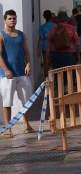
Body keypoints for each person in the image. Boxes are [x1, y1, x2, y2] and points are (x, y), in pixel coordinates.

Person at [0, 10, 35, 138]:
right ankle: (8, 128)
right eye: (9, 18)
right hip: (8, 75)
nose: (12, 20)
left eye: (14, 18)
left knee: (26, 101)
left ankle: (26, 124)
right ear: (5, 20)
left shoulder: (21, 34)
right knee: (7, 102)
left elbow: (26, 51)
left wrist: (28, 64)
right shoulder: (1, 35)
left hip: (22, 72)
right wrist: (5, 70)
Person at [37, 10, 56, 78]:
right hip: (54, 47)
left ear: (44, 17)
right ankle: (54, 80)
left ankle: (46, 81)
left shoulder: (42, 27)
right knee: (54, 64)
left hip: (45, 47)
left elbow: (40, 39)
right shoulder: (55, 26)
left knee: (46, 64)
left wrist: (38, 49)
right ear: (51, 16)